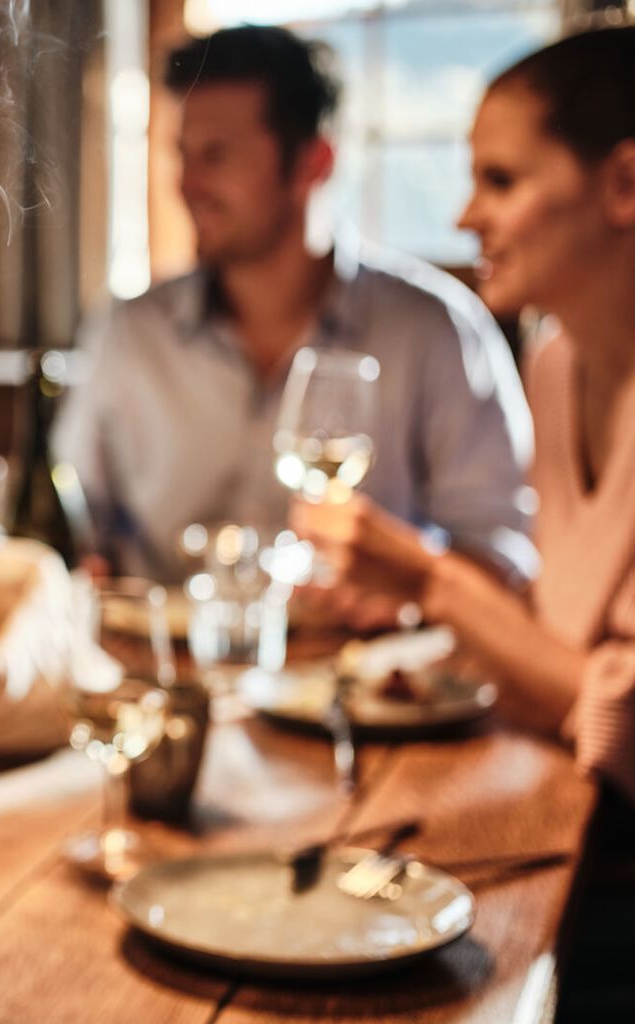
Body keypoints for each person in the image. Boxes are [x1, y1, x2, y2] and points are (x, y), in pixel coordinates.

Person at [52, 25, 534, 595]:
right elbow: (73, 520)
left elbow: (505, 555)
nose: (188, 184)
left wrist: (406, 584)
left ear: (313, 162)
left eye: (218, 156)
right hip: (161, 669)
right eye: (183, 155)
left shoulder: (435, 330)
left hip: (362, 672)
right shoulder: (129, 330)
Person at [295, 27, 635, 803]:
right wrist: (412, 596)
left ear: (624, 185)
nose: (466, 217)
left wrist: (430, 577)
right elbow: (558, 637)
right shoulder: (556, 362)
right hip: (562, 797)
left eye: (501, 180)